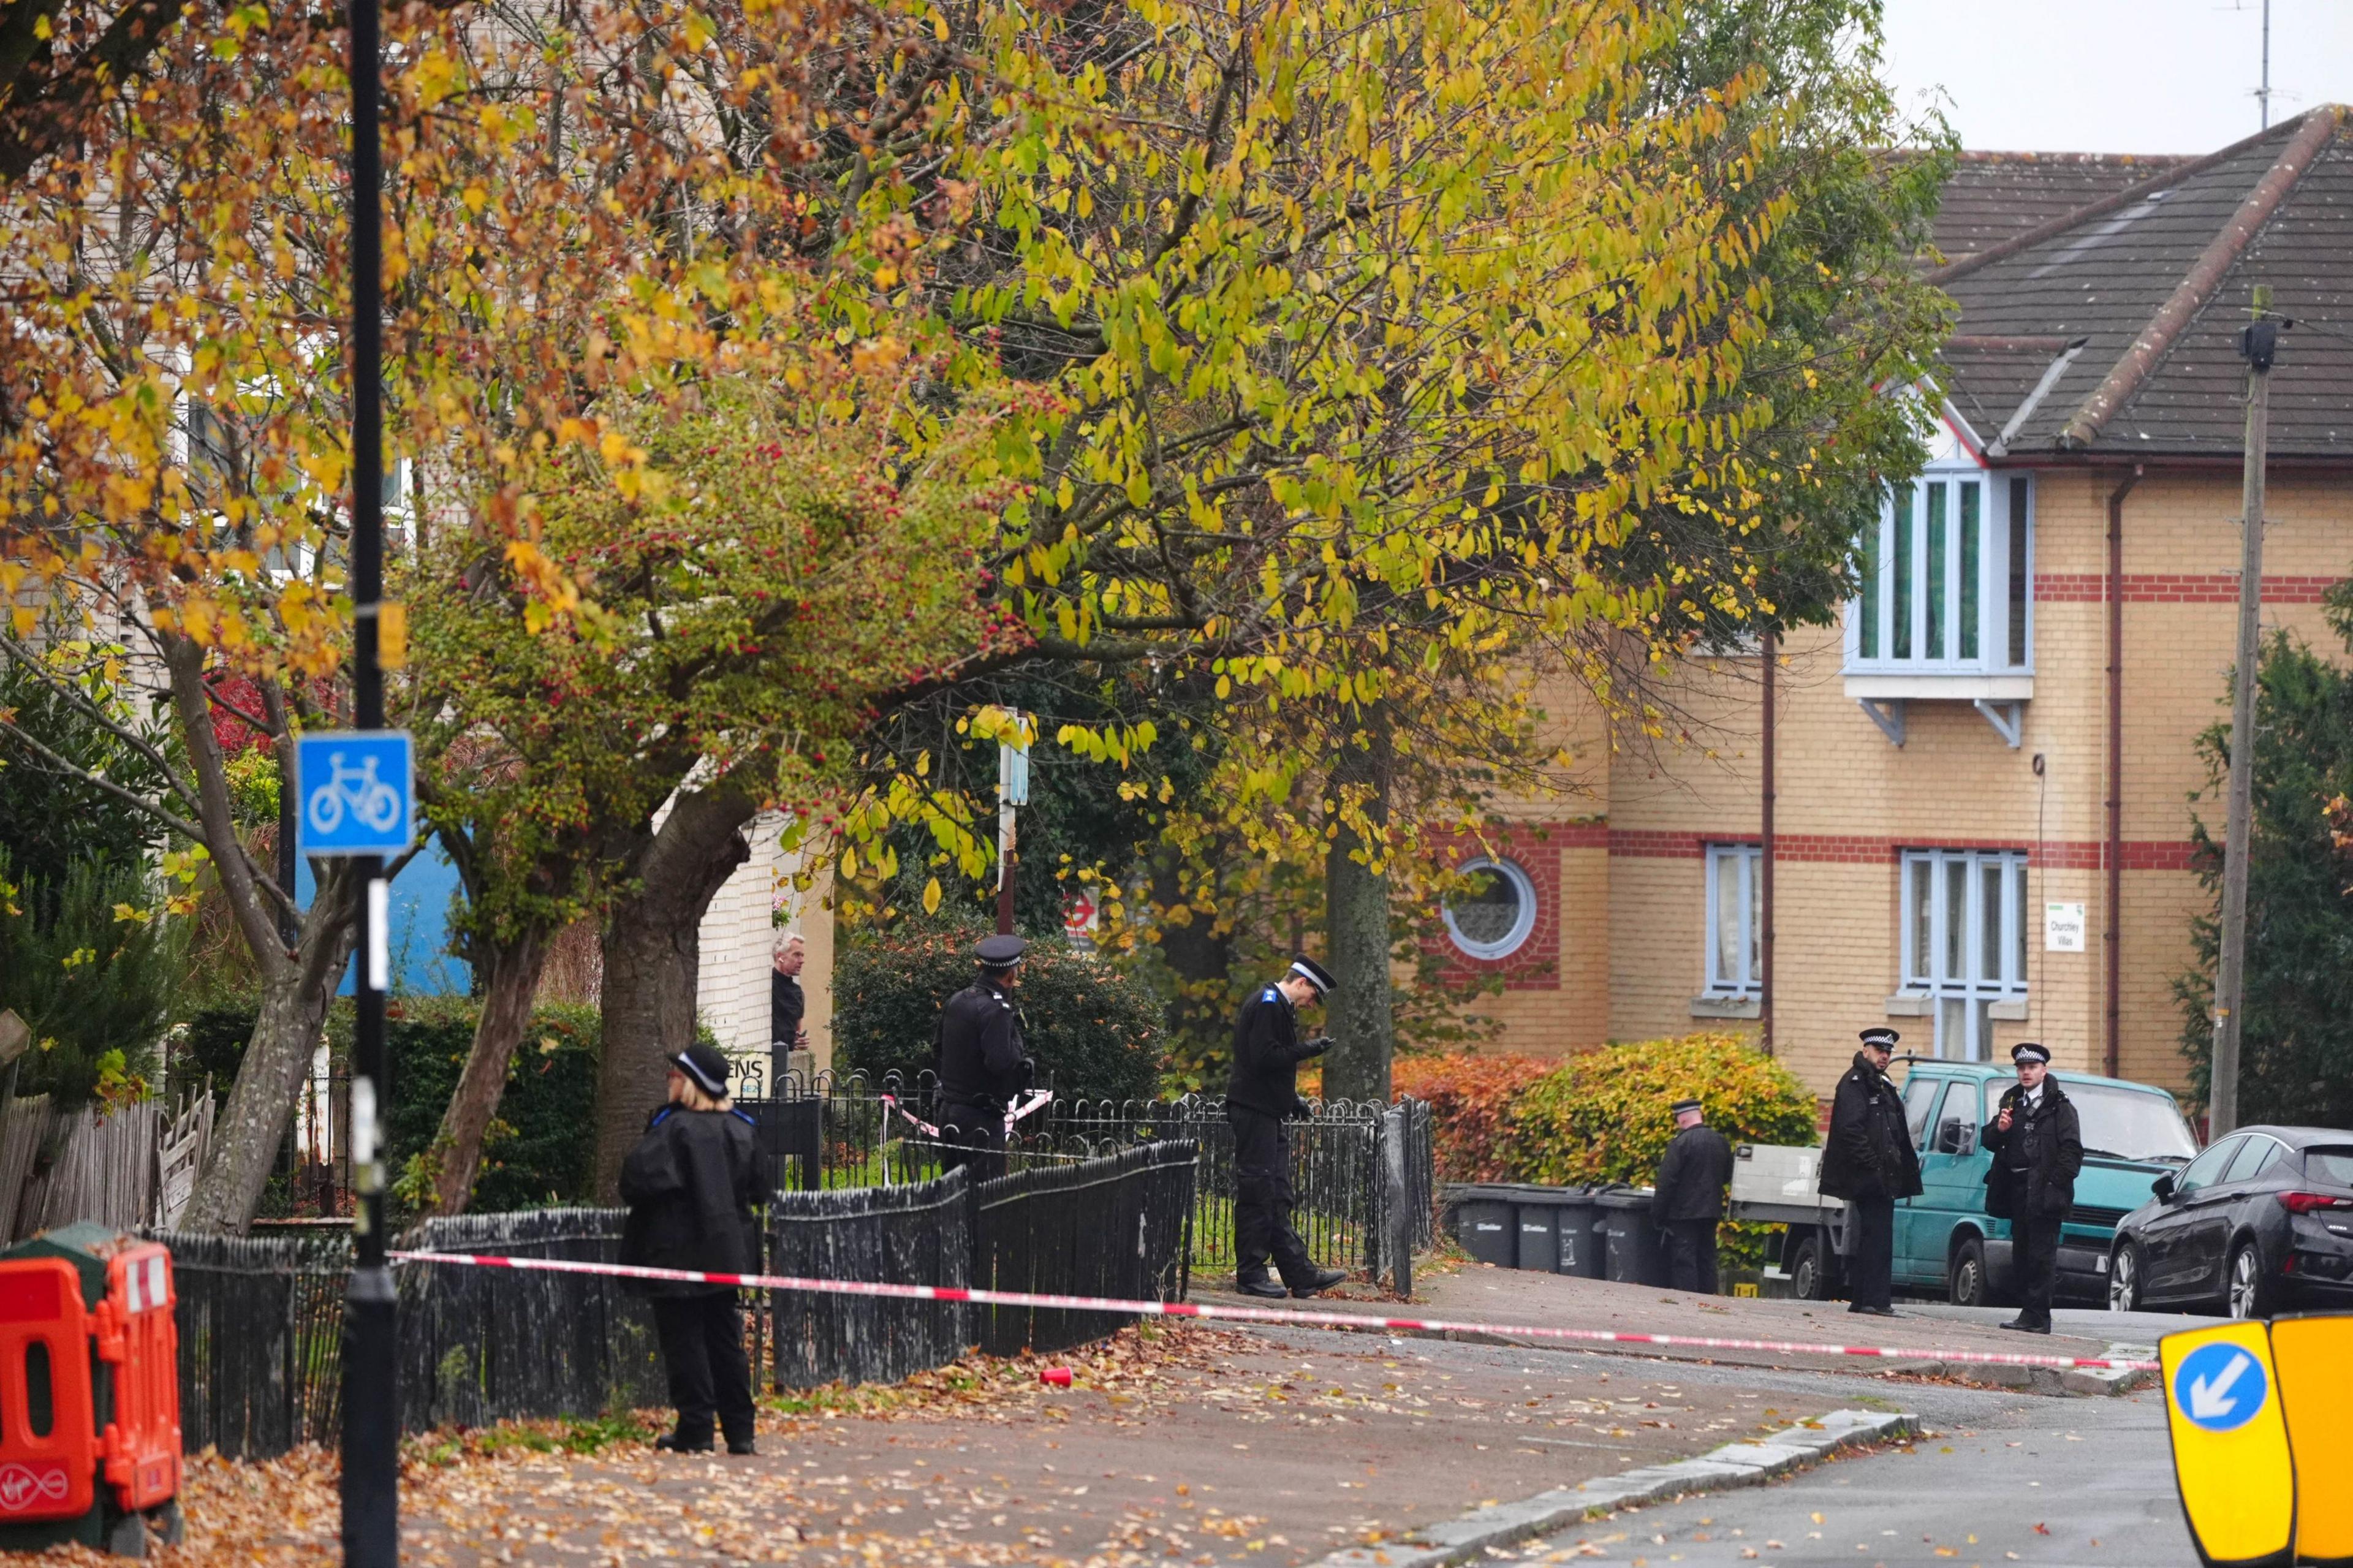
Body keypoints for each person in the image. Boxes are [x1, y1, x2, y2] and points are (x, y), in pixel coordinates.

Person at [620, 1039, 760, 1456]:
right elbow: (760, 1189)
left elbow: (635, 1181)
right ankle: (741, 1430)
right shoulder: (742, 1128)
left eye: (676, 1074)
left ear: (692, 1083)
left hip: (677, 1252)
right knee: (724, 1339)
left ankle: (696, 1427)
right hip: (727, 1256)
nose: (669, 1079)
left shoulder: (673, 1129)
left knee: (684, 1341)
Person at [1226, 956, 1349, 1301]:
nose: (1311, 1004)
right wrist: (1307, 1050)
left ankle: (1300, 1274)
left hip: (1268, 1109)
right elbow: (1265, 1057)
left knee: (1277, 1194)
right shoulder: (1268, 1005)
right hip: (1254, 1111)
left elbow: (1265, 1064)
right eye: (1313, 997)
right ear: (1302, 983)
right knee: (1257, 1192)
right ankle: (1251, 1274)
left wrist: (1291, 1098)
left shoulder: (1279, 1006)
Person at [1817, 1026, 1921, 1317]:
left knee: (1874, 1236)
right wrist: (1873, 1165)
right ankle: (1875, 1301)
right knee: (1877, 1237)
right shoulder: (1855, 1082)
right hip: (1869, 1175)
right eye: (1879, 1051)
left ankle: (1864, 1299)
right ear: (1866, 1051)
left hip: (1883, 1174)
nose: (1884, 1056)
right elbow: (1851, 1131)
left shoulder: (1881, 1083)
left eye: (1888, 1052)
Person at [1981, 1042, 2082, 1335]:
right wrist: (1999, 1130)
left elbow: (2072, 1151)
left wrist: (2054, 1185)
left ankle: (2040, 1316)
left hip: (2045, 1190)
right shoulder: (2012, 1103)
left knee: (2041, 1255)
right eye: (2021, 1068)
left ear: (2044, 1071)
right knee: (2022, 1254)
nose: (2026, 1073)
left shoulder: (2060, 1107)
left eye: (2032, 1068)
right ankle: (2028, 1312)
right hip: (2017, 1189)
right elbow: (1988, 1141)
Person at [933, 933, 1035, 1180]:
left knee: (951, 1191)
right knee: (985, 1196)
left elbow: (938, 1049)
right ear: (1011, 975)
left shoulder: (957, 1000)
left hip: (949, 1110)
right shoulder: (996, 1011)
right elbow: (1001, 1063)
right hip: (981, 1118)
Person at [1651, 1096, 1734, 1295]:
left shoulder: (1680, 1144)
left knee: (1684, 1260)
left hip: (1683, 1214)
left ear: (1682, 1119)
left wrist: (1657, 1214)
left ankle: (1687, 1302)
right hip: (1711, 1211)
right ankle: (1709, 1298)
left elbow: (1666, 1183)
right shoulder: (1721, 1141)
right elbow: (1728, 1175)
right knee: (1707, 1258)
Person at [770, 932, 808, 1090]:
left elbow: (797, 1031)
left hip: (788, 1064)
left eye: (803, 955)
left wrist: (801, 1042)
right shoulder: (766, 986)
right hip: (767, 1059)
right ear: (781, 956)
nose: (802, 960)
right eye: (797, 955)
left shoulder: (798, 993)